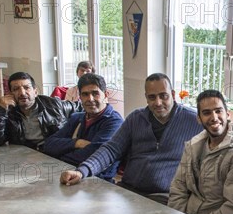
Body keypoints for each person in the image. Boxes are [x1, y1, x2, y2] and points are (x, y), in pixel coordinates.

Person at [59, 73, 202, 204]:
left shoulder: (194, 120)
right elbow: (111, 149)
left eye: (163, 96)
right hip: (128, 191)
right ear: (146, 97)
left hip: (165, 198)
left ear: (173, 94)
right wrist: (82, 171)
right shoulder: (136, 118)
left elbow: (220, 133)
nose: (158, 102)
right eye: (152, 97)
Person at [167, 90, 233, 214]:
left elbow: (231, 211)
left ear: (228, 114)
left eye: (218, 111)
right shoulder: (193, 145)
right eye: (207, 113)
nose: (214, 118)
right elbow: (178, 188)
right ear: (199, 119)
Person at [43, 74, 123, 181]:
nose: (90, 99)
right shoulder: (77, 118)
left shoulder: (114, 122)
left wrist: (60, 154)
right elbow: (49, 145)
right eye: (85, 94)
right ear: (80, 97)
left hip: (98, 182)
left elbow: (94, 156)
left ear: (106, 95)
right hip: (67, 175)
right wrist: (77, 143)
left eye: (95, 93)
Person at [0, 72, 78, 150]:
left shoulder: (54, 105)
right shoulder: (7, 113)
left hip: (55, 153)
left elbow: (82, 108)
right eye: (16, 89)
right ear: (10, 94)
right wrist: (0, 111)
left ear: (35, 92)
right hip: (26, 157)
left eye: (26, 87)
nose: (22, 93)